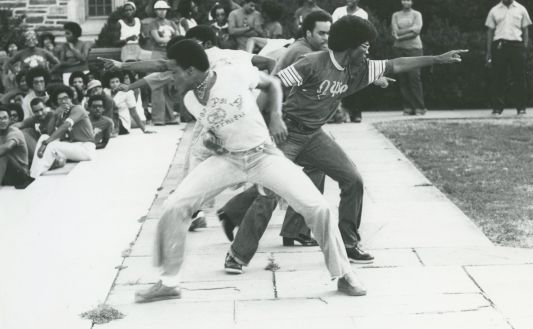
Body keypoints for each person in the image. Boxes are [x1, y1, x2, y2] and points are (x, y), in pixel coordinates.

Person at [220, 16, 467, 269]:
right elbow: (273, 84)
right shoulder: (311, 63)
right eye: (365, 45)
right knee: (270, 192)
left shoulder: (360, 68)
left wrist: (436, 59)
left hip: (314, 135)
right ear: (350, 45)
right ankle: (238, 255)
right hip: (288, 133)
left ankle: (349, 243)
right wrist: (273, 119)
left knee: (353, 179)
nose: (368, 49)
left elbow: (398, 63)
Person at [134, 39, 367, 303]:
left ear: (189, 71)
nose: (169, 76)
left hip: (263, 156)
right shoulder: (189, 99)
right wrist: (213, 141)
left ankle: (344, 274)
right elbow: (214, 128)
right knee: (174, 205)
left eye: (173, 70)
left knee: (318, 207)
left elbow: (272, 83)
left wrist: (276, 115)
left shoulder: (233, 73)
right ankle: (168, 283)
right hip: (228, 161)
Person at [218, 10, 333, 245]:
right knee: (279, 179)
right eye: (322, 33)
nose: (327, 38)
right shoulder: (303, 52)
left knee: (302, 172)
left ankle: (289, 228)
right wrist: (273, 118)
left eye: (329, 33)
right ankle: (244, 226)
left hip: (284, 118)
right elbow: (280, 85)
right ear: (308, 31)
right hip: (284, 121)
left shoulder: (304, 48)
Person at [30, 85, 96, 178]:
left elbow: (65, 126)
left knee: (52, 145)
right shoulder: (62, 113)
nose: (63, 101)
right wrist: (55, 114)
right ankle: (33, 173)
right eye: (60, 99)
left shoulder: (78, 109)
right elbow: (50, 133)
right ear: (56, 102)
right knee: (43, 137)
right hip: (75, 145)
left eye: (65, 98)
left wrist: (47, 142)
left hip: (86, 148)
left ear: (71, 98)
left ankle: (34, 176)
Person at [486, 0, 531, 115]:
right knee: (498, 77)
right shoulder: (494, 10)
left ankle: (521, 108)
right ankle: (497, 108)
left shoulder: (521, 9)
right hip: (500, 45)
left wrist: (524, 48)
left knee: (520, 77)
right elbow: (490, 32)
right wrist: (489, 52)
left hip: (517, 45)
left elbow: (525, 30)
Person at [392, 0, 426, 116]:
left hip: (414, 49)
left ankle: (420, 108)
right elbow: (394, 31)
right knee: (403, 78)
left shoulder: (417, 14)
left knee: (414, 77)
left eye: (409, 0)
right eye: (404, 0)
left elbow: (416, 32)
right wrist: (409, 29)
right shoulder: (396, 15)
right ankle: (408, 107)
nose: (406, 2)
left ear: (412, 2)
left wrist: (400, 35)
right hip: (399, 49)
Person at [149, 0, 180, 125]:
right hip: (157, 54)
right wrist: (170, 40)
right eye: (160, 9)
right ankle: (158, 118)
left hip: (170, 54)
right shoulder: (153, 23)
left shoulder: (172, 23)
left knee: (169, 85)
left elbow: (178, 38)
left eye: (164, 9)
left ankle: (169, 117)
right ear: (156, 10)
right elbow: (157, 39)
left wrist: (167, 40)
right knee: (157, 85)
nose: (162, 11)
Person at [0, 107, 34, 189]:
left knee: (4, 155)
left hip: (20, 174)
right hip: (6, 174)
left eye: (5, 118)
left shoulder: (14, 132)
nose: (2, 121)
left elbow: (7, 147)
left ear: (9, 119)